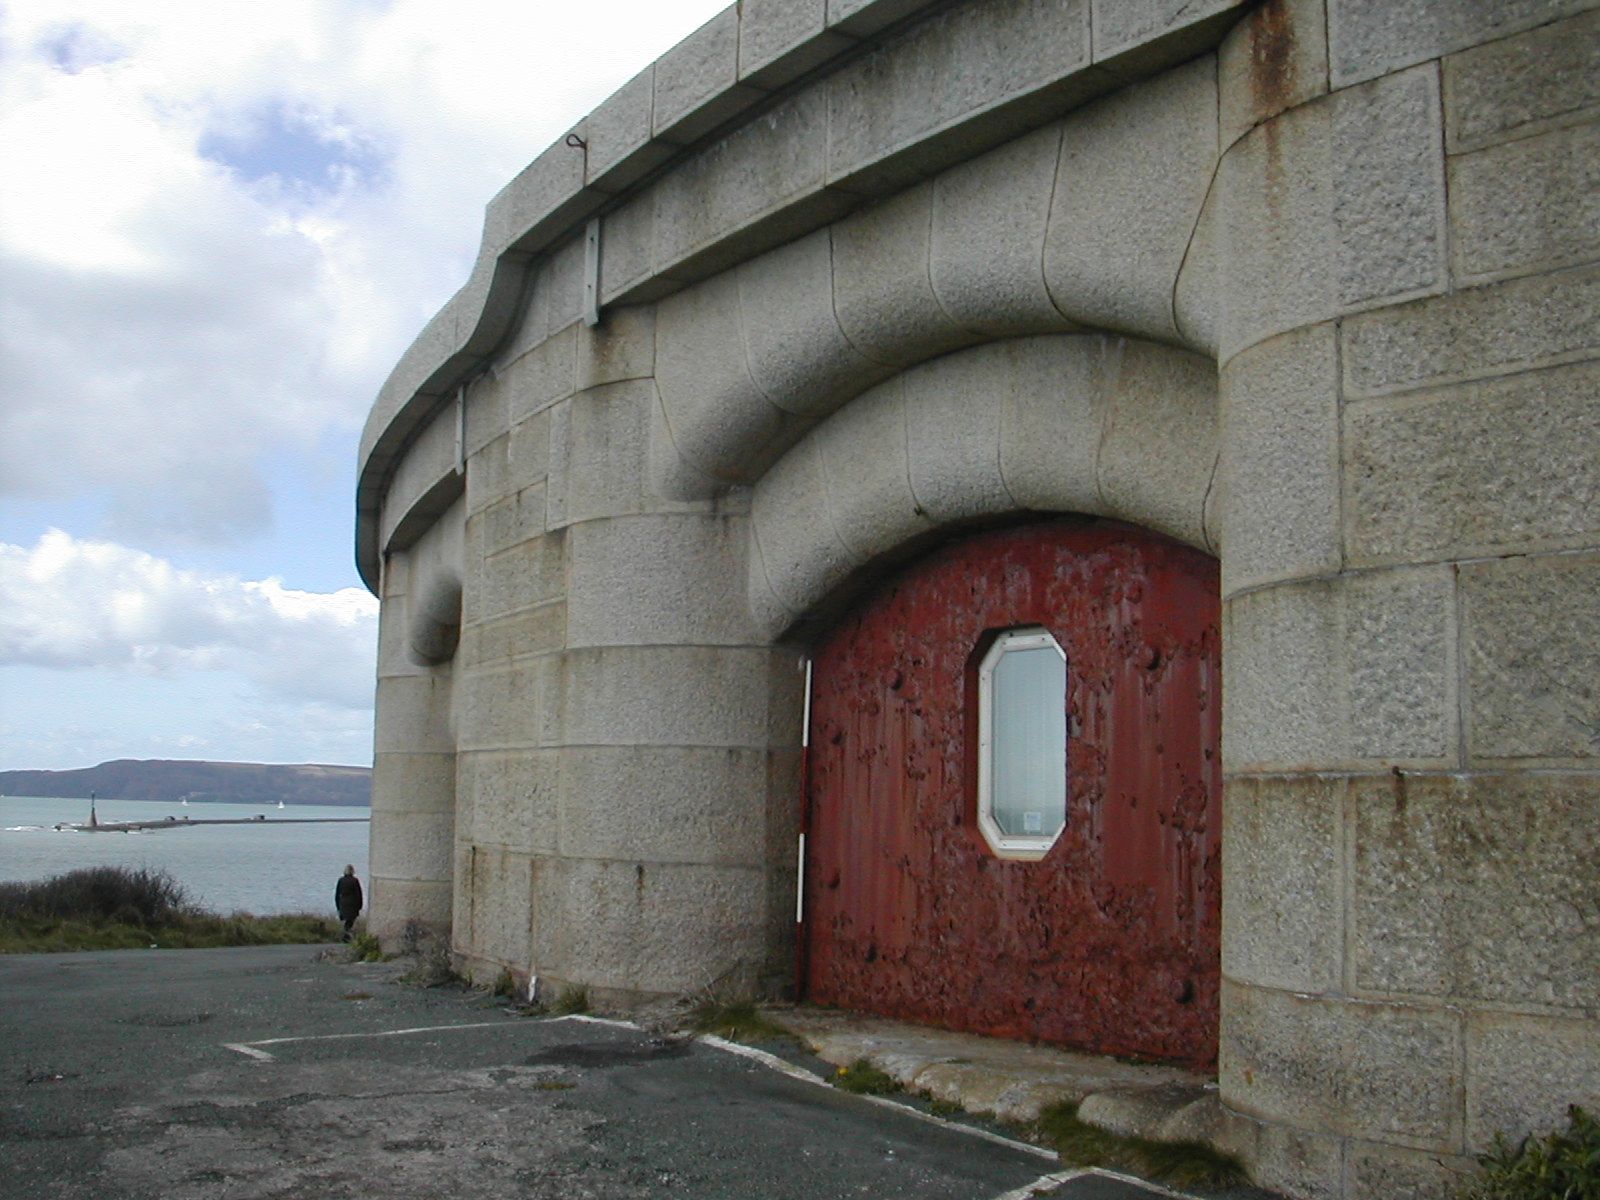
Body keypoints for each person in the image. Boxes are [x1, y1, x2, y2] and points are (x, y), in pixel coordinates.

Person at [335, 865, 363, 941]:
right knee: (350, 920)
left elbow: (337, 894)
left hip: (343, 903)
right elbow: (358, 894)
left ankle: (345, 935)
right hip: (352, 903)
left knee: (346, 920)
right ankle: (346, 935)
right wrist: (360, 905)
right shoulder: (355, 881)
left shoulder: (341, 880)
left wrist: (338, 906)